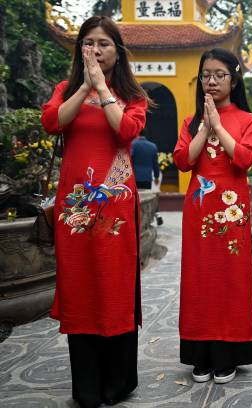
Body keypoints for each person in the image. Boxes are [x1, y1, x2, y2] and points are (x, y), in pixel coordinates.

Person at [40, 16, 148, 407]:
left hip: (115, 207)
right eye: (89, 43)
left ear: (117, 53)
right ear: (79, 49)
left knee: (114, 284)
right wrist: (84, 86)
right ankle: (86, 386)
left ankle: (118, 382)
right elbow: (52, 122)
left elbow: (125, 132)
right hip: (75, 208)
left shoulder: (132, 96)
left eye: (104, 44)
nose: (96, 50)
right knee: (81, 285)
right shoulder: (64, 90)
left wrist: (101, 89)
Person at [173, 48, 252, 384]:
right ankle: (200, 353)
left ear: (233, 80)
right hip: (198, 211)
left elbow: (243, 159)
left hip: (231, 210)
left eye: (219, 75)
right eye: (206, 74)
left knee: (230, 278)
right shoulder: (189, 121)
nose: (211, 81)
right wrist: (202, 128)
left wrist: (218, 126)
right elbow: (183, 161)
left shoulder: (247, 120)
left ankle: (228, 354)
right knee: (199, 278)